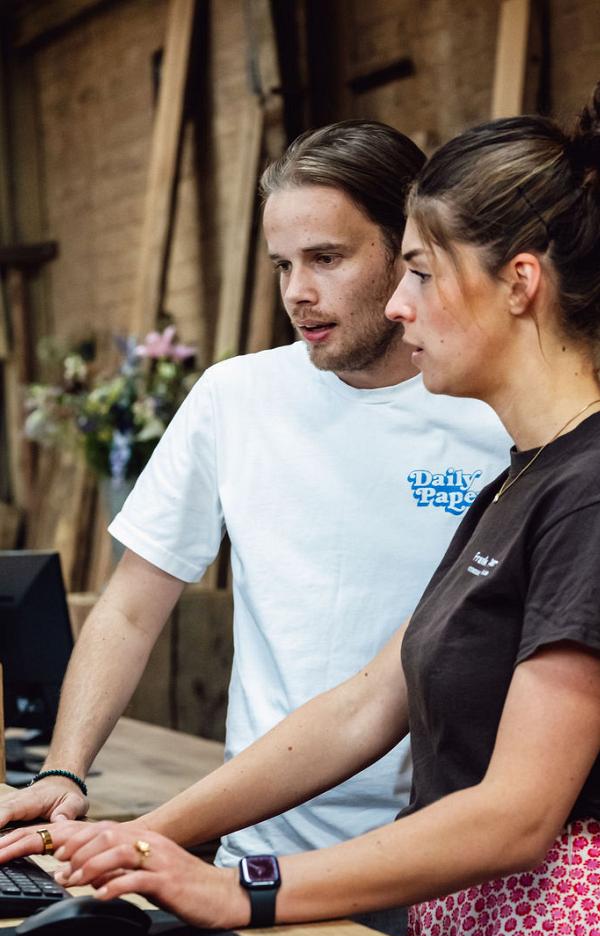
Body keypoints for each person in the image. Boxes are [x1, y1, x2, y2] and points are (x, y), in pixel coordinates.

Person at [10, 83, 600, 936]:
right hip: (429, 908)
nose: (403, 308)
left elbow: (520, 813)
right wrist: (140, 835)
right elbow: (370, 700)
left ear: (517, 282)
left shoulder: (575, 479)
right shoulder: (521, 479)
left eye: (418, 270)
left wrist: (242, 889)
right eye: (284, 261)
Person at [0, 121, 508, 878]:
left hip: (440, 865)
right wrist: (64, 773)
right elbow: (133, 607)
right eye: (281, 265)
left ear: (407, 248)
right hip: (259, 851)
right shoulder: (236, 397)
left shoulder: (495, 413)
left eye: (327, 259)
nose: (298, 293)